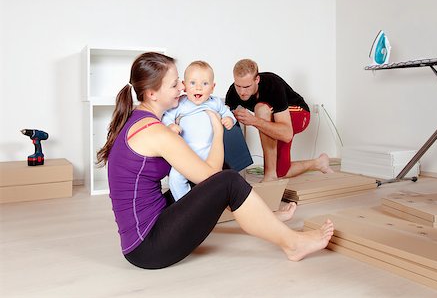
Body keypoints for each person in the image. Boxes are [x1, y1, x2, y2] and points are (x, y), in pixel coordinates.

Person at [97, 52, 334, 269]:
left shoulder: (141, 119)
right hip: (147, 246)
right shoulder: (156, 132)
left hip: (148, 229)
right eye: (174, 84)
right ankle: (293, 244)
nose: (182, 87)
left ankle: (266, 219)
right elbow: (210, 176)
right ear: (152, 94)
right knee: (228, 180)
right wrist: (218, 132)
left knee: (215, 178)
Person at [225, 58, 334, 182]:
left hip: (299, 114)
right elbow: (224, 114)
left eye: (246, 86)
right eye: (238, 86)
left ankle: (269, 175)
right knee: (282, 172)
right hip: (275, 119)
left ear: (257, 80)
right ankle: (319, 163)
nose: (242, 92)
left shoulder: (272, 84)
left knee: (261, 109)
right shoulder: (233, 91)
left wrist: (253, 121)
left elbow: (287, 134)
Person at [162, 60, 236, 201]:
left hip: (209, 152)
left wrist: (229, 119)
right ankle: (186, 202)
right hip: (186, 154)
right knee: (175, 179)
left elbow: (228, 113)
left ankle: (209, 202)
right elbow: (166, 117)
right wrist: (171, 126)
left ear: (213, 87)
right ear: (184, 85)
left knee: (217, 179)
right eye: (193, 83)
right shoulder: (181, 104)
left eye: (205, 84)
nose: (198, 88)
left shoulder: (215, 103)